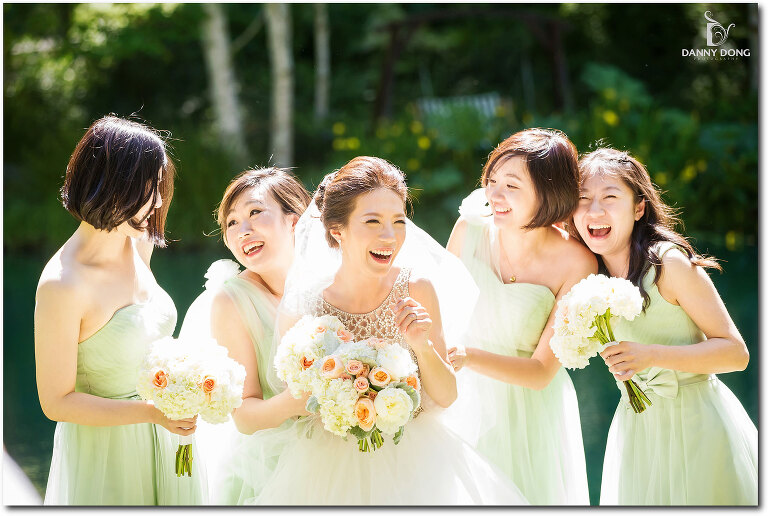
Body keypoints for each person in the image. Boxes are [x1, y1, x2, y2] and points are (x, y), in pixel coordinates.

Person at [244, 156, 528, 505]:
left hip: (415, 462)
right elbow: (296, 401)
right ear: (338, 230)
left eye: (398, 221)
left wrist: (422, 346)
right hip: (329, 468)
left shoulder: (416, 288)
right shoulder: (307, 305)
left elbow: (446, 396)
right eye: (372, 221)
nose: (390, 236)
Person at [35, 115, 205, 505]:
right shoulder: (62, 284)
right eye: (149, 188)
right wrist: (152, 414)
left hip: (168, 435)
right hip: (108, 454)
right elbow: (56, 402)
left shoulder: (138, 242)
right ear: (111, 184)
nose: (158, 202)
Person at [572, 147, 757, 505]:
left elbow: (737, 353)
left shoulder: (668, 264)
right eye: (582, 199)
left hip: (697, 424)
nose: (594, 211)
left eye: (610, 197)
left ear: (638, 208)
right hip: (638, 429)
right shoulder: (589, 274)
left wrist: (651, 355)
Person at [445, 128, 593, 504]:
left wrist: (468, 356)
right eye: (492, 181)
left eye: (511, 186)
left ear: (548, 192)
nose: (494, 195)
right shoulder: (468, 229)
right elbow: (438, 314)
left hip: (530, 416)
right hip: (460, 398)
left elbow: (542, 372)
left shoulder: (578, 262)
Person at [179, 168, 311, 504]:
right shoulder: (230, 301)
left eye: (255, 213)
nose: (243, 231)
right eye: (232, 223)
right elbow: (245, 416)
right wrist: (302, 400)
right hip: (272, 468)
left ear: (294, 221)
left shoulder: (332, 280)